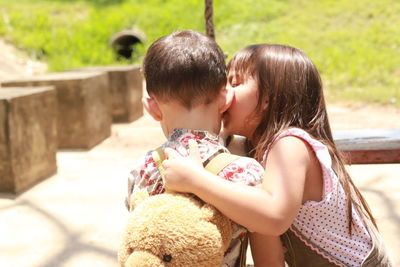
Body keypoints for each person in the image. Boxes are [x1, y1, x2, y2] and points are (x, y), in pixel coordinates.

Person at [161, 44, 394, 266]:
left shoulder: (290, 144)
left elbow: (273, 216)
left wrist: (196, 180)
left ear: (268, 99)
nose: (225, 95)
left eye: (235, 83)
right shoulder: (255, 151)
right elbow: (269, 259)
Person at [125, 30, 276, 266]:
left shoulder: (141, 171)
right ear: (226, 98)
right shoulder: (247, 174)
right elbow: (268, 260)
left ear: (151, 107)